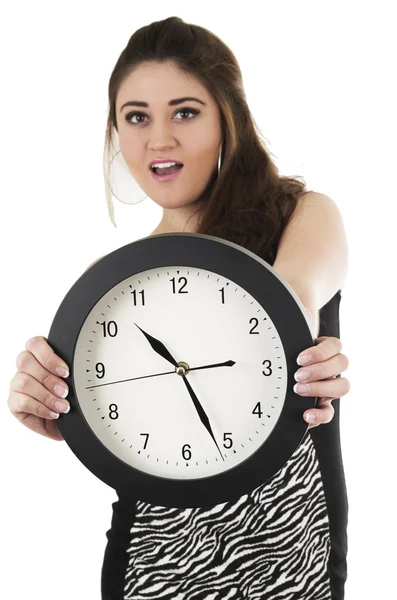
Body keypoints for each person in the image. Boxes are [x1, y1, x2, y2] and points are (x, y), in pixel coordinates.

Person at [7, 16, 350, 600]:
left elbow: (292, 298)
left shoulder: (301, 216)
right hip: (153, 562)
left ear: (227, 120)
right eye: (136, 116)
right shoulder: (111, 284)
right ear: (116, 132)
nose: (158, 139)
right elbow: (119, 419)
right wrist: (53, 401)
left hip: (295, 553)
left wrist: (315, 360)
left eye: (184, 112)